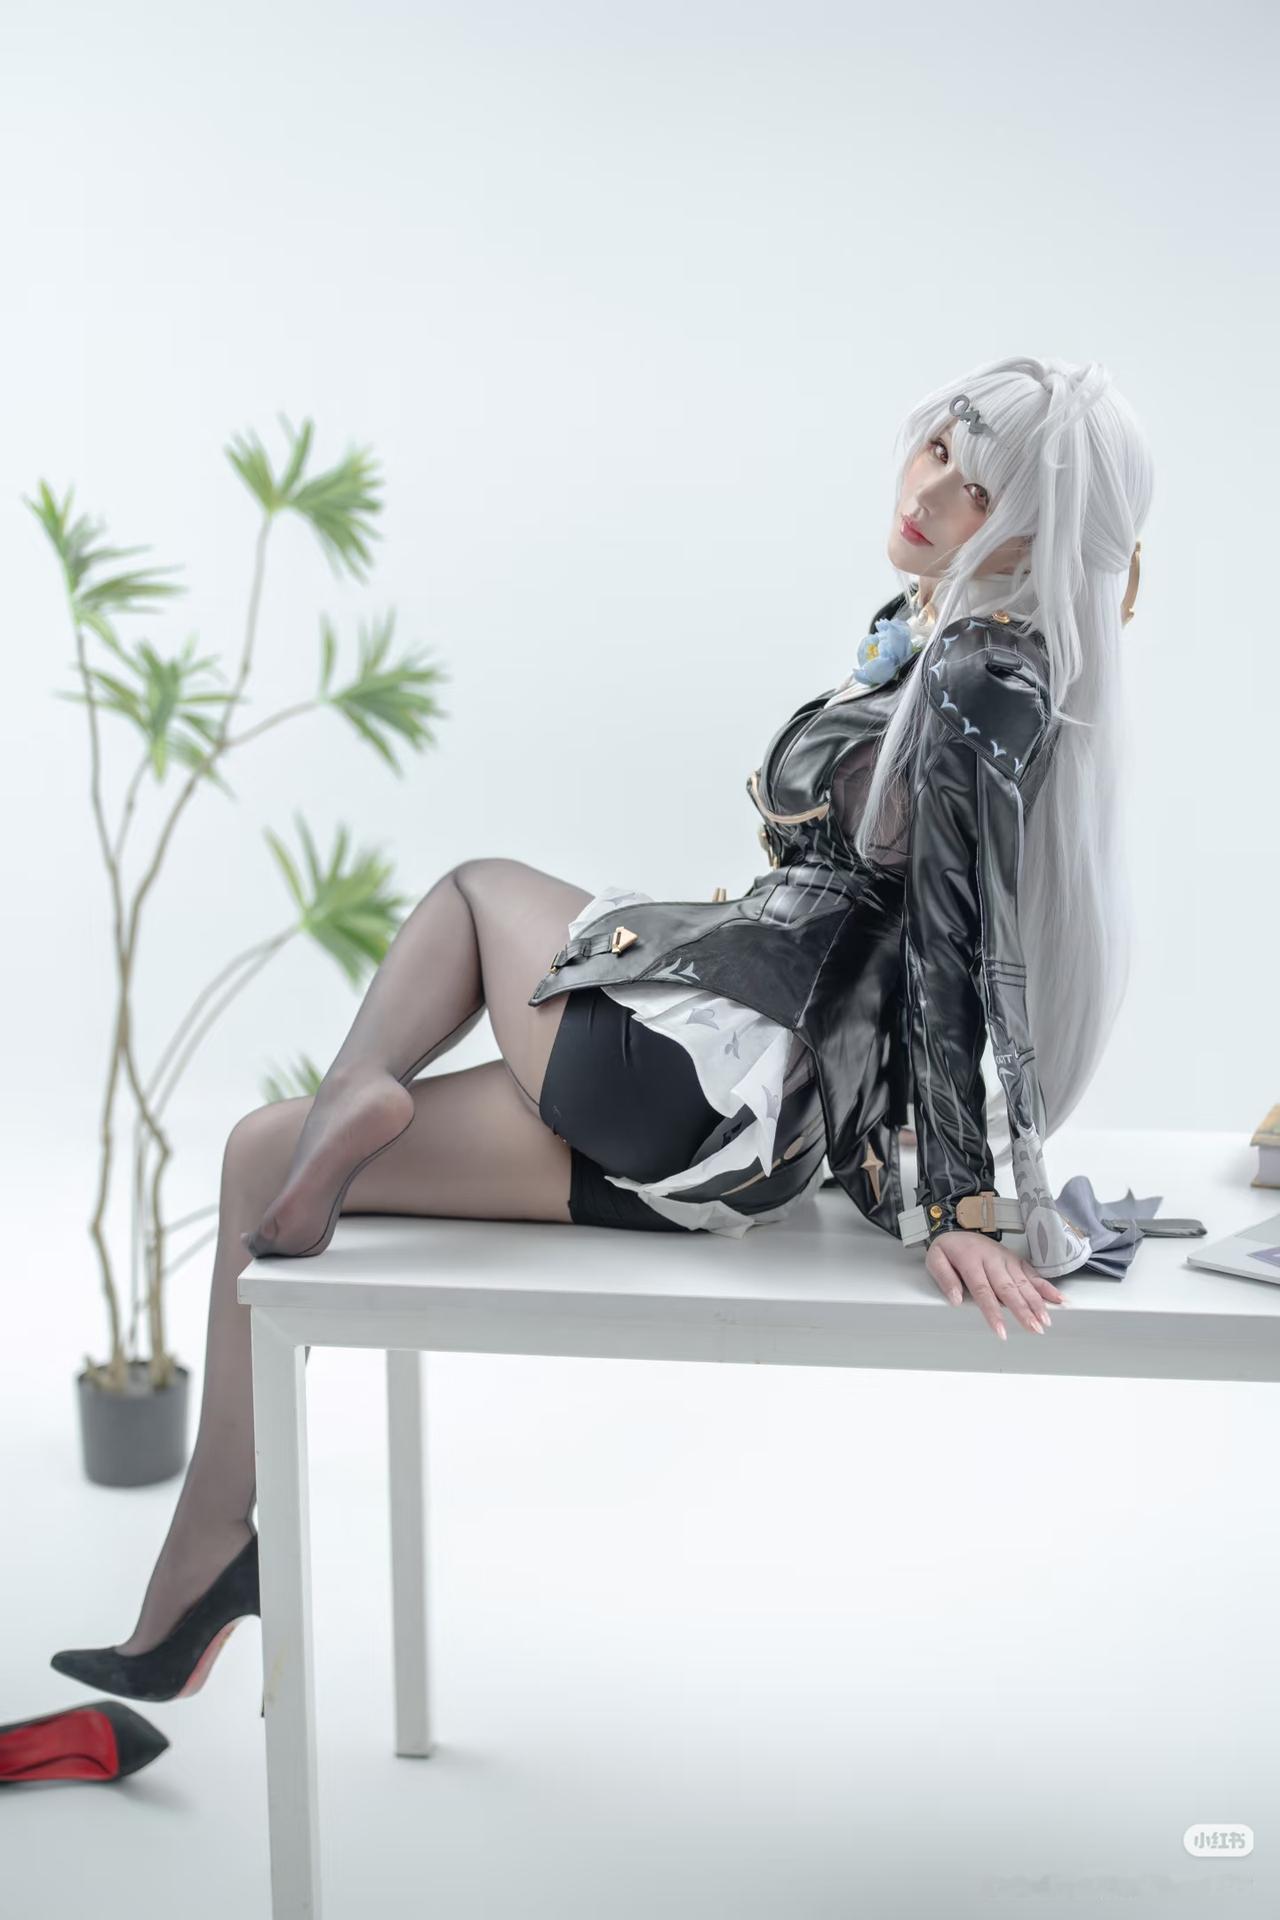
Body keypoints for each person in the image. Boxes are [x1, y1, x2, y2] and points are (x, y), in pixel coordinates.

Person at [50, 354, 1152, 1702]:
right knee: (256, 1155)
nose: (927, 492)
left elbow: (956, 945)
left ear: (1037, 535)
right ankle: (203, 1569)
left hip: (708, 1076)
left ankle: (362, 1086)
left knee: (473, 892)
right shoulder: (943, 635)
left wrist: (965, 1207)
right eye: (936, 449)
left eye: (973, 489)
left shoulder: (988, 673)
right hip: (704, 1137)